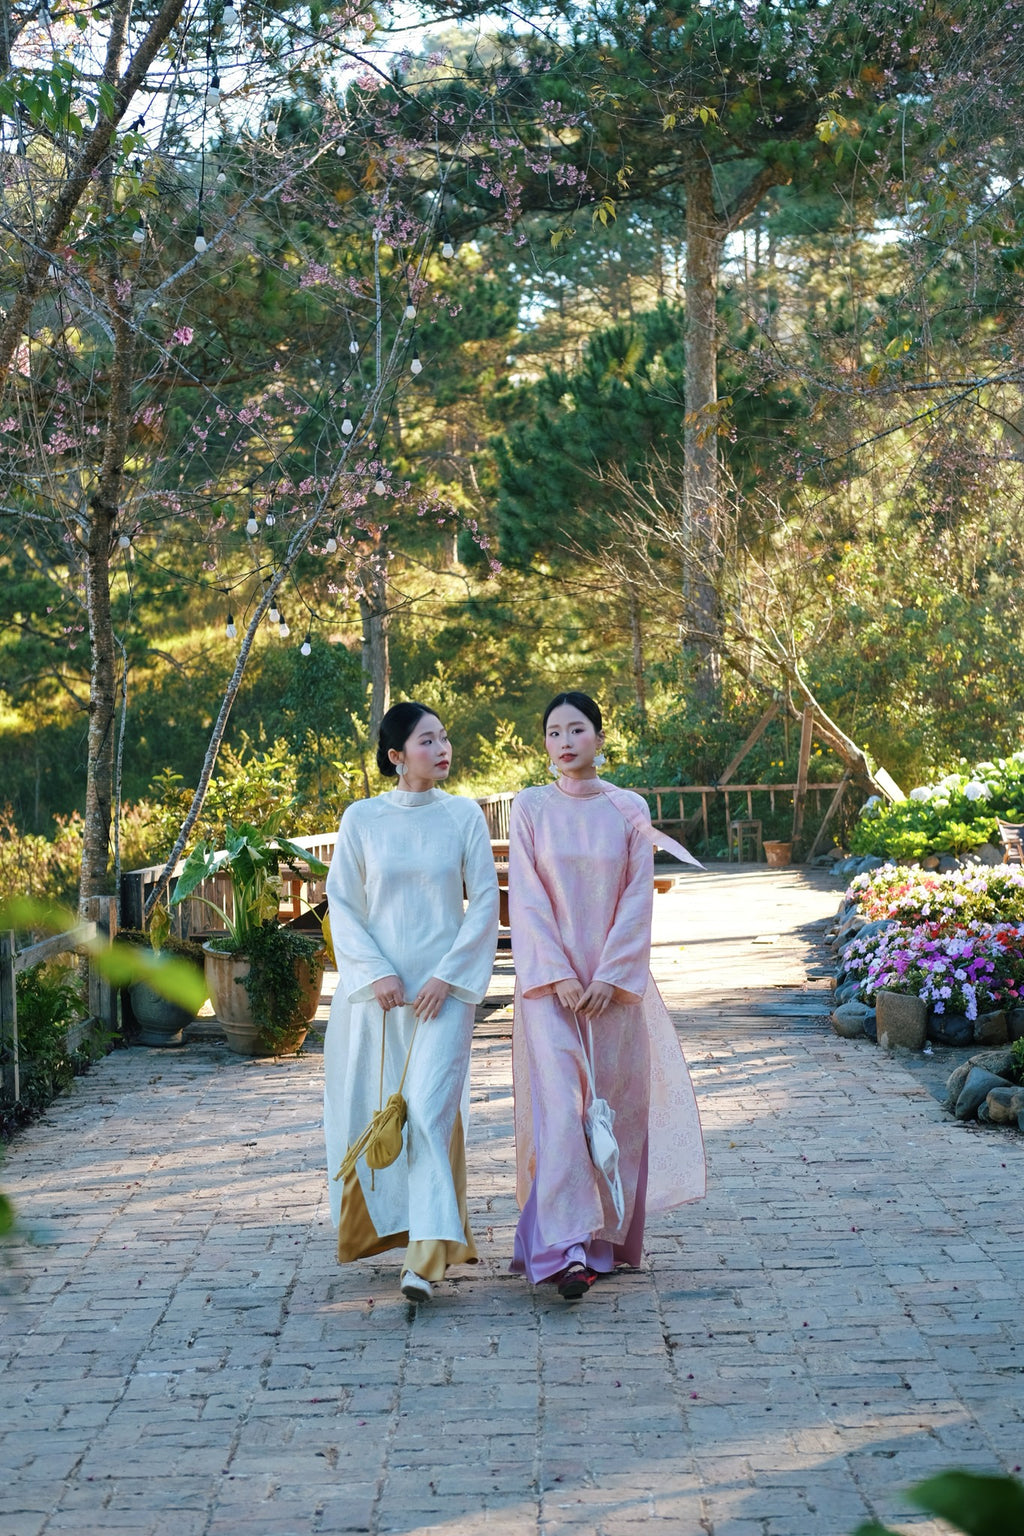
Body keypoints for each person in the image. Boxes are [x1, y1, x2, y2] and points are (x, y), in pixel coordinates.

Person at [509, 690, 706, 1300]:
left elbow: (636, 899)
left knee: (612, 1108)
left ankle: (602, 1241)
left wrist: (611, 977)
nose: (564, 741)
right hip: (549, 990)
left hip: (614, 990)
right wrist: (559, 974)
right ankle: (567, 1251)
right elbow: (527, 895)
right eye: (552, 732)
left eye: (576, 729)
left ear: (598, 737)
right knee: (563, 1110)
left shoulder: (629, 809)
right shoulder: (530, 809)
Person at [323, 701, 499, 1303]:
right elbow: (342, 903)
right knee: (383, 1111)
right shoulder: (362, 819)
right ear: (397, 756)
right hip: (382, 997)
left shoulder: (463, 816)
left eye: (445, 737)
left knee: (428, 1109)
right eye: (429, 740)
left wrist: (447, 978)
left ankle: (425, 1260)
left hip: (444, 993)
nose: (443, 748)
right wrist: (374, 974)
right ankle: (405, 1233)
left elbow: (485, 904)